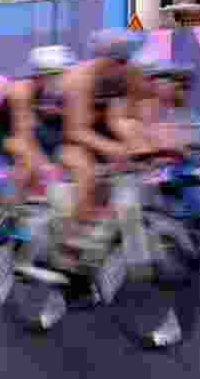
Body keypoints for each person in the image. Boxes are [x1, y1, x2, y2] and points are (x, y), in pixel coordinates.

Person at [58, 28, 155, 253]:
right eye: (119, 60)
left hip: (88, 130)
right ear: (102, 58)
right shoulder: (80, 79)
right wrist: (112, 147)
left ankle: (98, 223)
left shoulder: (116, 76)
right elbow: (75, 131)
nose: (124, 66)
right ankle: (71, 238)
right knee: (87, 171)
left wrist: (142, 149)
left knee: (121, 166)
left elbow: (117, 121)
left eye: (126, 60)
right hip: (60, 133)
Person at [0, 45, 76, 246]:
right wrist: (44, 165)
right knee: (29, 161)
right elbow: (25, 136)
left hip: (30, 131)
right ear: (42, 74)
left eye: (63, 73)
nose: (62, 79)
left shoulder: (55, 91)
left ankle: (31, 211)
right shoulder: (21, 91)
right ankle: (6, 220)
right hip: (1, 132)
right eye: (57, 74)